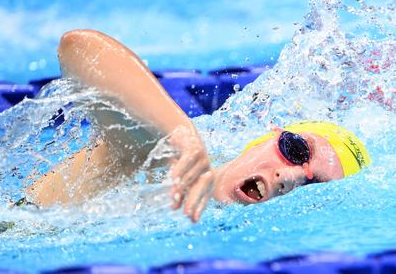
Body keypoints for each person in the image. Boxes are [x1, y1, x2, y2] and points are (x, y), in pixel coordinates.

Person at [26, 30, 371, 222]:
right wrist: (179, 133)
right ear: (267, 137)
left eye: (316, 186)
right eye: (295, 151)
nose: (293, 177)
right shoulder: (157, 157)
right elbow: (79, 47)